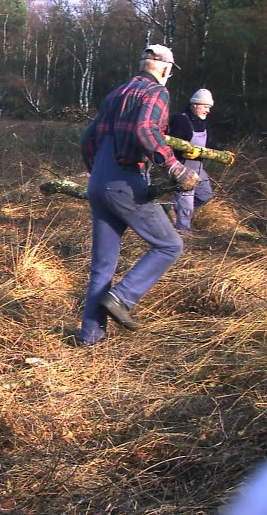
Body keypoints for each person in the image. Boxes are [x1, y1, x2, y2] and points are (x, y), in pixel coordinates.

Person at [76, 44, 199, 346]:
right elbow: (145, 130)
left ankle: (89, 337)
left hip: (98, 182)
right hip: (125, 181)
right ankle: (122, 297)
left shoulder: (115, 94)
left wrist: (99, 172)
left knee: (102, 266)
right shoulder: (156, 92)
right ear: (165, 69)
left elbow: (87, 140)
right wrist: (174, 167)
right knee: (169, 245)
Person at [168, 88, 216, 236]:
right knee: (186, 201)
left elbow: (208, 143)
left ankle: (173, 208)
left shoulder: (202, 122)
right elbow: (170, 144)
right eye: (205, 107)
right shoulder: (180, 119)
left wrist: (223, 152)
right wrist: (184, 152)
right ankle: (183, 233)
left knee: (205, 195)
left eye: (209, 108)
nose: (208, 111)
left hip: (199, 166)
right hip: (182, 166)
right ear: (195, 104)